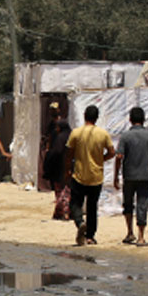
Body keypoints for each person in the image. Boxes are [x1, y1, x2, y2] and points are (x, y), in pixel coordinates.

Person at [64, 105, 115, 246]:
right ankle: (90, 237)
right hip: (96, 177)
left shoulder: (76, 133)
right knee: (92, 207)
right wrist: (100, 159)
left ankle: (80, 222)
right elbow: (112, 152)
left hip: (79, 175)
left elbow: (69, 154)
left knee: (75, 203)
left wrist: (67, 170)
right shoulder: (103, 134)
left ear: (85, 115)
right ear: (96, 117)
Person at [113, 106, 148, 246]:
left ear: (130, 120)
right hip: (145, 176)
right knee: (142, 205)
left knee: (128, 205)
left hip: (129, 176)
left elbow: (119, 157)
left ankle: (130, 233)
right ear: (143, 119)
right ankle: (141, 237)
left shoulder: (125, 136)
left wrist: (116, 176)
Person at [41, 102, 71, 220]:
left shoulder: (61, 136)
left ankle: (64, 211)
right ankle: (61, 212)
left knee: (61, 190)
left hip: (60, 165)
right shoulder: (56, 128)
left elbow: (57, 151)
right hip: (65, 165)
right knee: (63, 189)